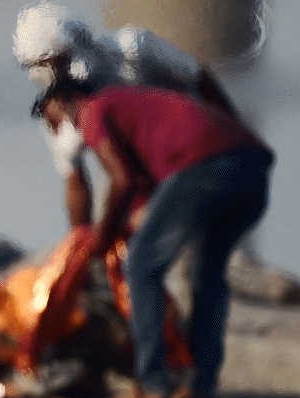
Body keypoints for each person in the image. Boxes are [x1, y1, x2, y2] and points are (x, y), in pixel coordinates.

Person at [33, 78, 272, 398]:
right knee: (208, 272)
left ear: (69, 99)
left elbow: (122, 181)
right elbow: (141, 190)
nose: (56, 128)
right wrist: (124, 223)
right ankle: (202, 388)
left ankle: (153, 385)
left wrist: (102, 235)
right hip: (251, 167)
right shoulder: (132, 105)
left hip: (203, 165)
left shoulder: (92, 110)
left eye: (52, 117)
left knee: (141, 267)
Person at [12, 2, 240, 229]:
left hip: (194, 148)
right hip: (144, 176)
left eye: (48, 61)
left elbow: (197, 75)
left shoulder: (134, 48)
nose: (41, 71)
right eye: (35, 65)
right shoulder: (60, 111)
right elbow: (75, 178)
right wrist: (80, 243)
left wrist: (234, 137)